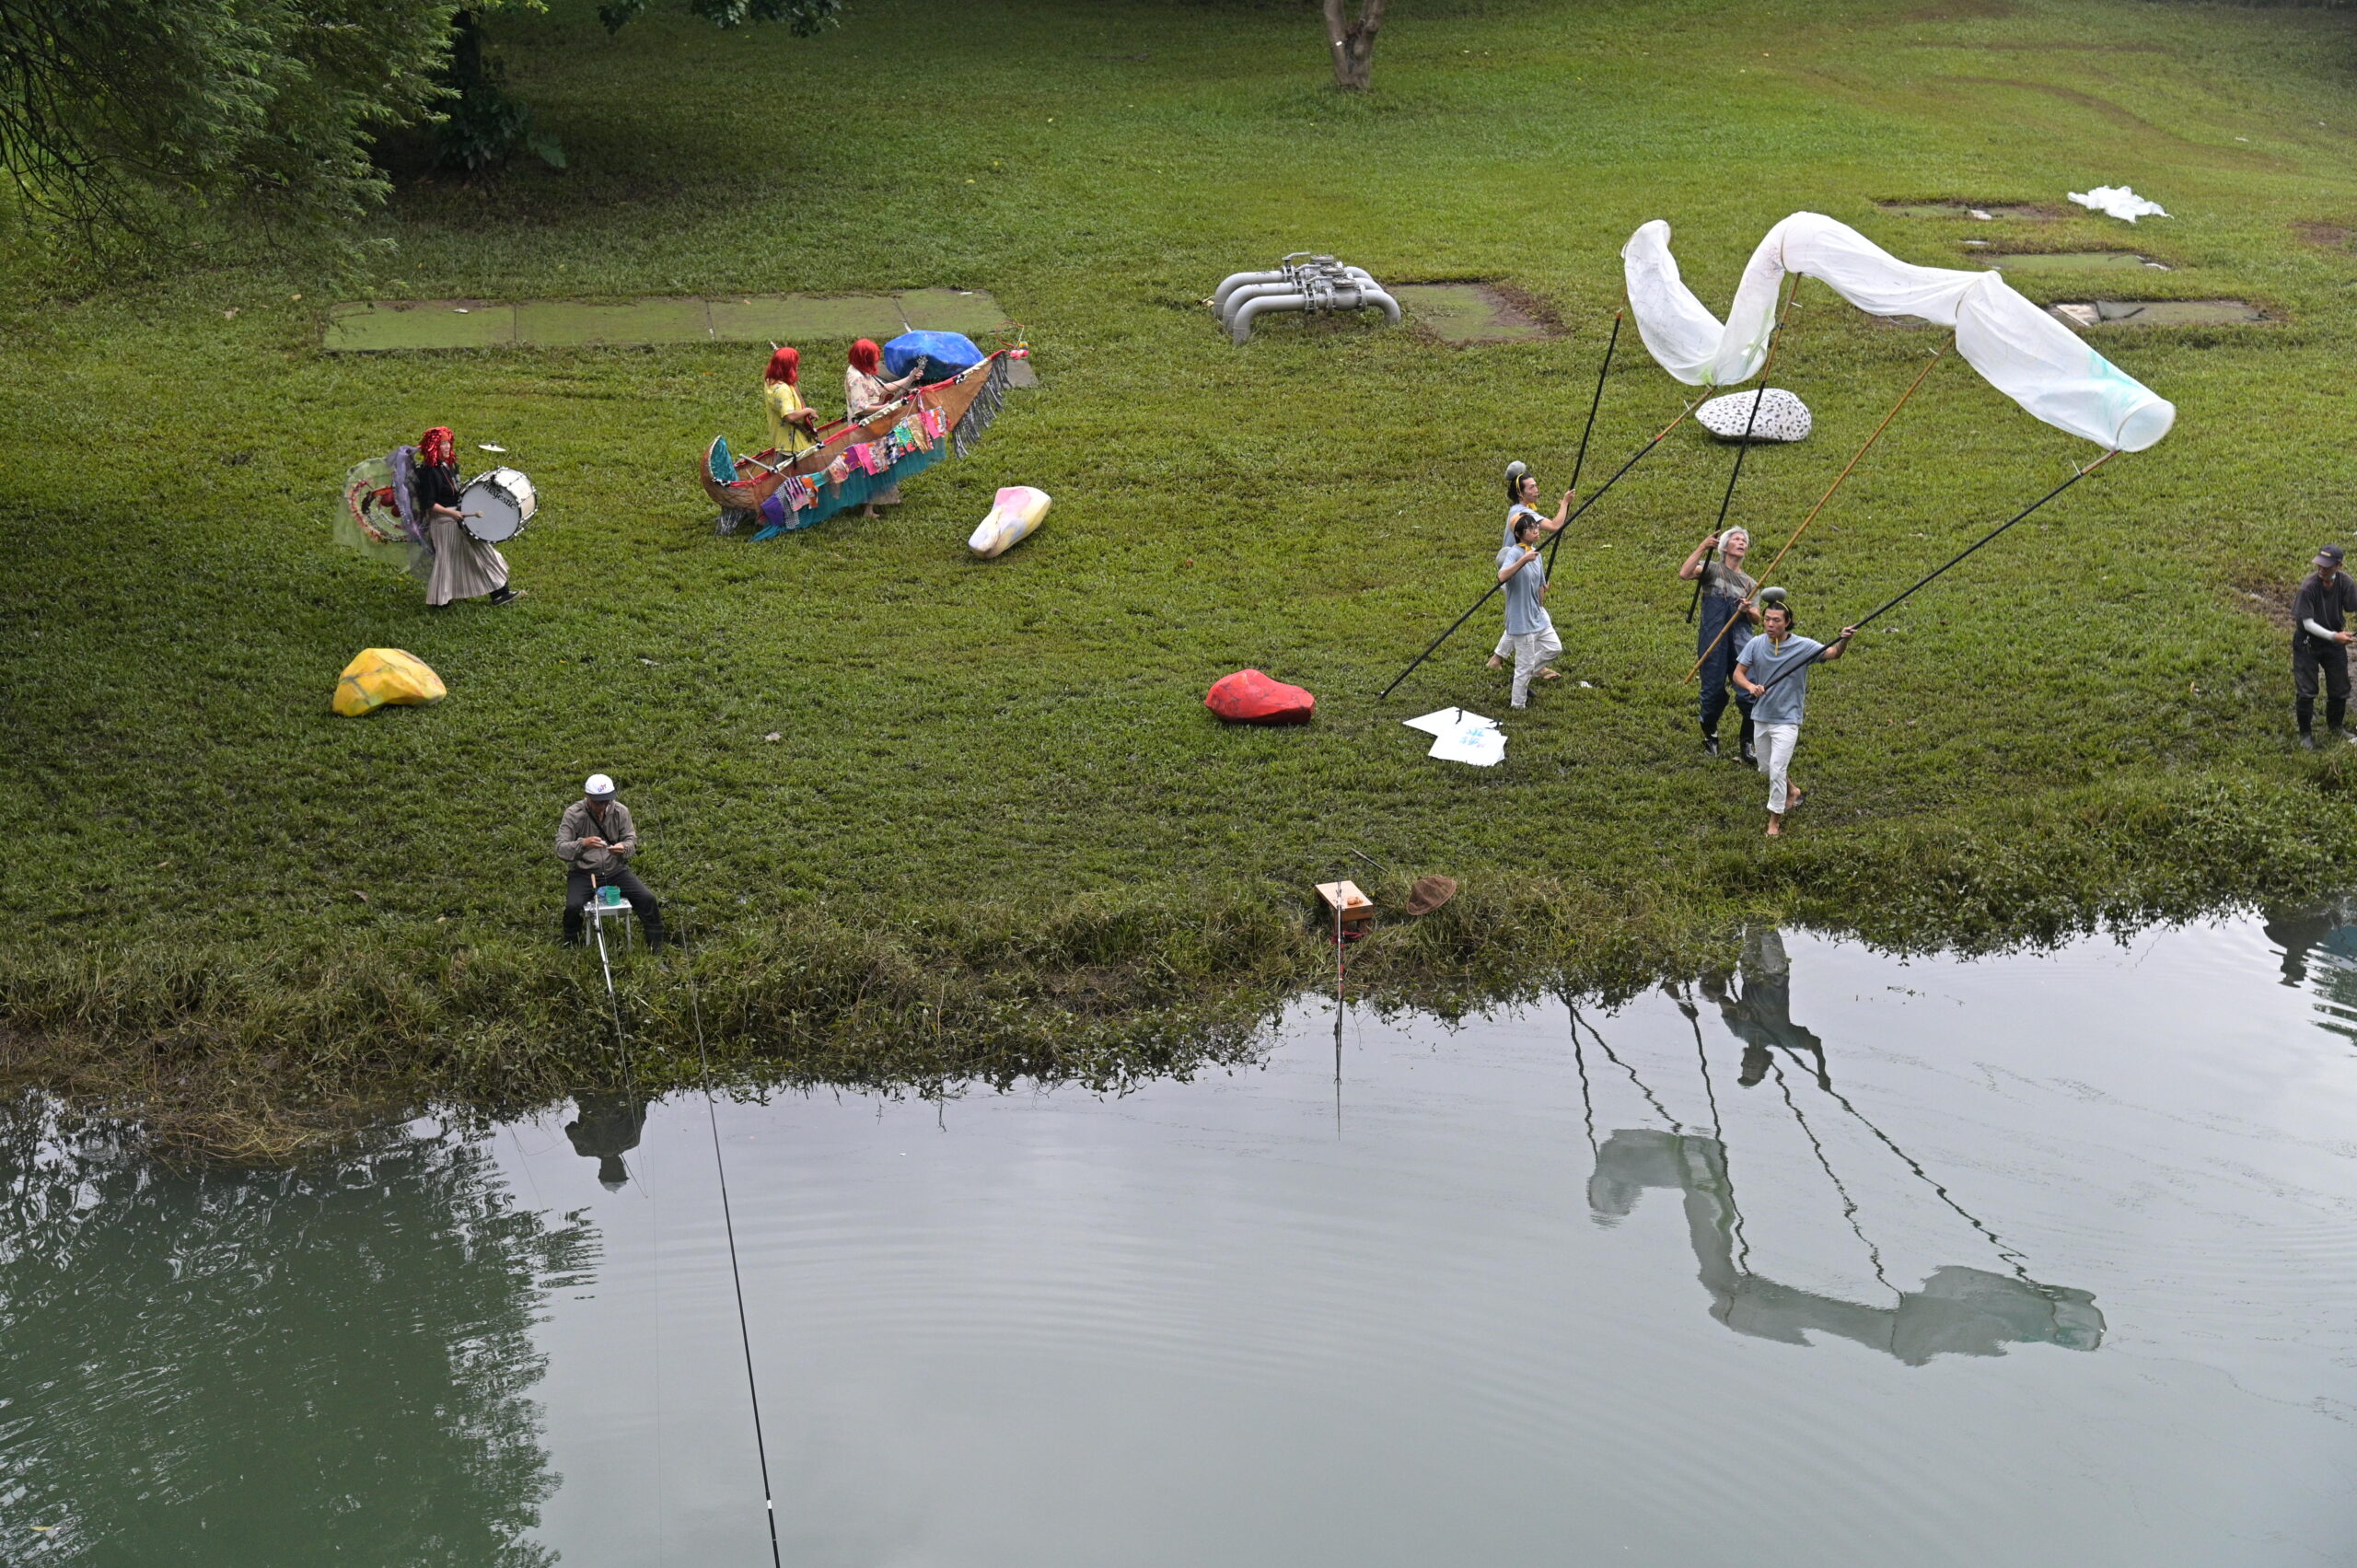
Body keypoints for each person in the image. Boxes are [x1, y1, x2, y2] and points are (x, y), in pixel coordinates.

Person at [1733, 601, 1855, 838]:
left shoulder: (1803, 646)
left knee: (1777, 770)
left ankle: (1774, 822)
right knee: (1766, 768)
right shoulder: (1755, 644)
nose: (1769, 624)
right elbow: (1738, 673)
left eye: (1776, 620)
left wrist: (1844, 640)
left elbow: (1832, 654)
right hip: (1761, 715)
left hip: (1787, 719)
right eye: (1767, 619)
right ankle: (1793, 791)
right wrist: (1750, 686)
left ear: (1787, 622)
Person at [412, 425, 522, 609]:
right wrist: (453, 513)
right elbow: (429, 505)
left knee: (482, 553)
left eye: (448, 442)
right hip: (445, 522)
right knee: (450, 561)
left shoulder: (447, 465)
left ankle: (499, 593)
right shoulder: (429, 472)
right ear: (433, 447)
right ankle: (441, 601)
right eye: (442, 444)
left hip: (458, 518)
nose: (446, 447)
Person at [557, 773, 665, 952]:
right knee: (573, 906)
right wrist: (583, 844)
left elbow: (632, 840)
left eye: (606, 801)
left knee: (647, 898)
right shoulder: (573, 814)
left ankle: (656, 945)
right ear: (586, 796)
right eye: (597, 802)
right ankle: (571, 942)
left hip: (616, 870)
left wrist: (623, 847)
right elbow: (560, 848)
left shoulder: (621, 811)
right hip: (584, 872)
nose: (602, 806)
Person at [1679, 527, 1759, 761]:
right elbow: (1684, 574)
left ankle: (1748, 743)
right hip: (1713, 640)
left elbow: (1757, 618)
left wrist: (1747, 610)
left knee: (1749, 692)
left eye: (1744, 540)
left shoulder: (1750, 583)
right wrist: (1703, 546)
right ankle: (1711, 736)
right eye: (1736, 539)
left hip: (1741, 643)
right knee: (1712, 691)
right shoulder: (1712, 570)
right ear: (1724, 547)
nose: (1741, 542)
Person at [1488, 461, 1576, 673]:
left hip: (1525, 568)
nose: (1536, 490)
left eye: (1536, 485)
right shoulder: (1522, 514)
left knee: (1527, 613)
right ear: (1521, 493)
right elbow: (1555, 526)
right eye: (1531, 487)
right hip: (1517, 570)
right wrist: (1564, 504)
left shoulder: (1521, 510)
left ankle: (1497, 659)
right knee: (1532, 613)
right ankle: (1533, 666)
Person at [844, 339, 922, 518]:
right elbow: (861, 408)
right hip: (865, 430)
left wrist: (909, 378)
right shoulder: (856, 378)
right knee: (872, 466)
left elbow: (883, 389)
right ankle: (868, 509)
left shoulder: (863, 372)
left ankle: (877, 502)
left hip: (875, 426)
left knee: (881, 462)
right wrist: (889, 408)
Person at [2292, 544, 2357, 748]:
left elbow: (2353, 606)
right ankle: (2305, 735)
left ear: (2339, 566)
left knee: (2340, 688)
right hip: (2308, 643)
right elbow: (2307, 623)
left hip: (2333, 643)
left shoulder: (2346, 582)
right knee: (2307, 690)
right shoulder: (2309, 586)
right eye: (2319, 565)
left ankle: (2336, 727)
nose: (2321, 569)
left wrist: (2337, 638)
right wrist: (2334, 637)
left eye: (2327, 566)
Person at [1496, 512, 1561, 709]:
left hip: (1537, 616)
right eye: (1531, 528)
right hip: (1521, 619)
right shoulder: (1515, 553)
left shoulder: (1536, 553)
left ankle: (1526, 673)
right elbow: (1502, 576)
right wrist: (1523, 560)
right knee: (1523, 667)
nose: (1536, 530)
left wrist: (1542, 592)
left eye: (1536, 527)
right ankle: (1518, 706)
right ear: (1519, 533)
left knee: (1554, 648)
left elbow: (1540, 583)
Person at [762, 345, 819, 460]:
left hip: (787, 443)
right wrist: (808, 411)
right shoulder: (782, 390)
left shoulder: (770, 381)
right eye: (795, 364)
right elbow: (789, 416)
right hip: (793, 446)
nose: (797, 366)